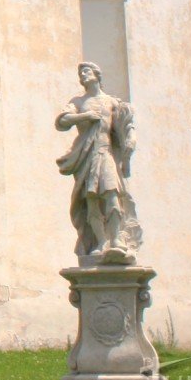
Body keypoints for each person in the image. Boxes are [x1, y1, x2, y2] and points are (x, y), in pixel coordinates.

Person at [54, 62, 142, 262]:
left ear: (97, 75)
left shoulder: (111, 101)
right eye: (80, 73)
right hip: (88, 155)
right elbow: (62, 121)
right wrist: (84, 116)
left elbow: (127, 123)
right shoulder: (78, 101)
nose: (82, 75)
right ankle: (100, 241)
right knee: (91, 200)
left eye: (86, 71)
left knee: (111, 194)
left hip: (106, 152)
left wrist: (131, 139)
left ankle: (116, 239)